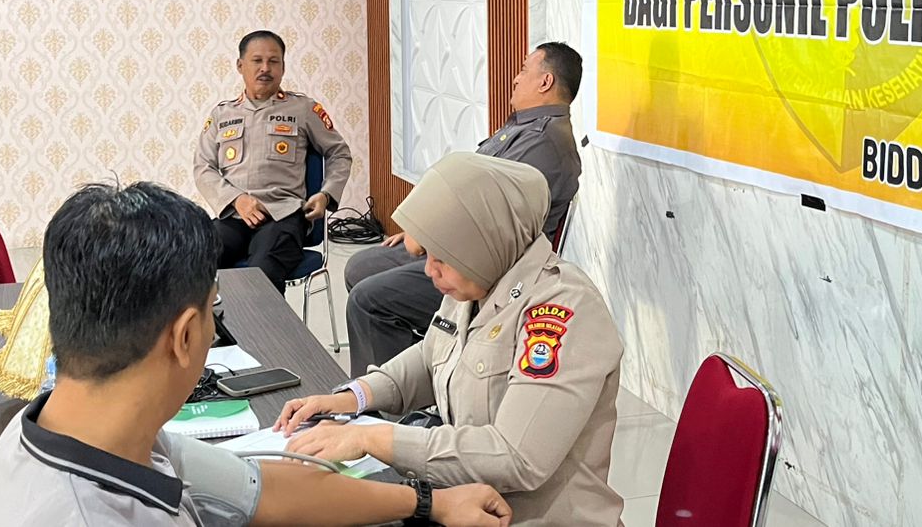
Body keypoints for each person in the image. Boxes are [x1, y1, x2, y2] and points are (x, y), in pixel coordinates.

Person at [0, 180, 512, 527]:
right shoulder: (87, 513)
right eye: (214, 310)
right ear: (185, 337)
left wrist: (430, 502)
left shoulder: (92, 428)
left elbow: (258, 491)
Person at [274, 154, 624, 527]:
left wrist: (374, 439)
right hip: (466, 505)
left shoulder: (562, 311)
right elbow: (431, 357)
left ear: (483, 242)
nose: (430, 270)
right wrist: (353, 397)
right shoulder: (479, 279)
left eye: (442, 257)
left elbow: (516, 457)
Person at [343, 42, 583, 376]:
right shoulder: (525, 128)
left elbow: (486, 220)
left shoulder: (545, 143)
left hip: (485, 271)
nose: (515, 78)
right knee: (360, 266)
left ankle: (386, 399)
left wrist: (427, 239)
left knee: (368, 300)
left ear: (545, 82)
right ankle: (430, 364)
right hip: (458, 249)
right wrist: (422, 230)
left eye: (524, 70)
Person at [194, 30, 353, 292]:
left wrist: (326, 195)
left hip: (284, 216)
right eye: (257, 61)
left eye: (273, 61)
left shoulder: (303, 109)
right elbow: (203, 167)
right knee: (195, 259)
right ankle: (213, 320)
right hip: (234, 216)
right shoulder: (222, 114)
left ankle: (259, 322)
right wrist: (236, 199)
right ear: (240, 66)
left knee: (262, 272)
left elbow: (339, 153)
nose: (265, 68)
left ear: (283, 67)